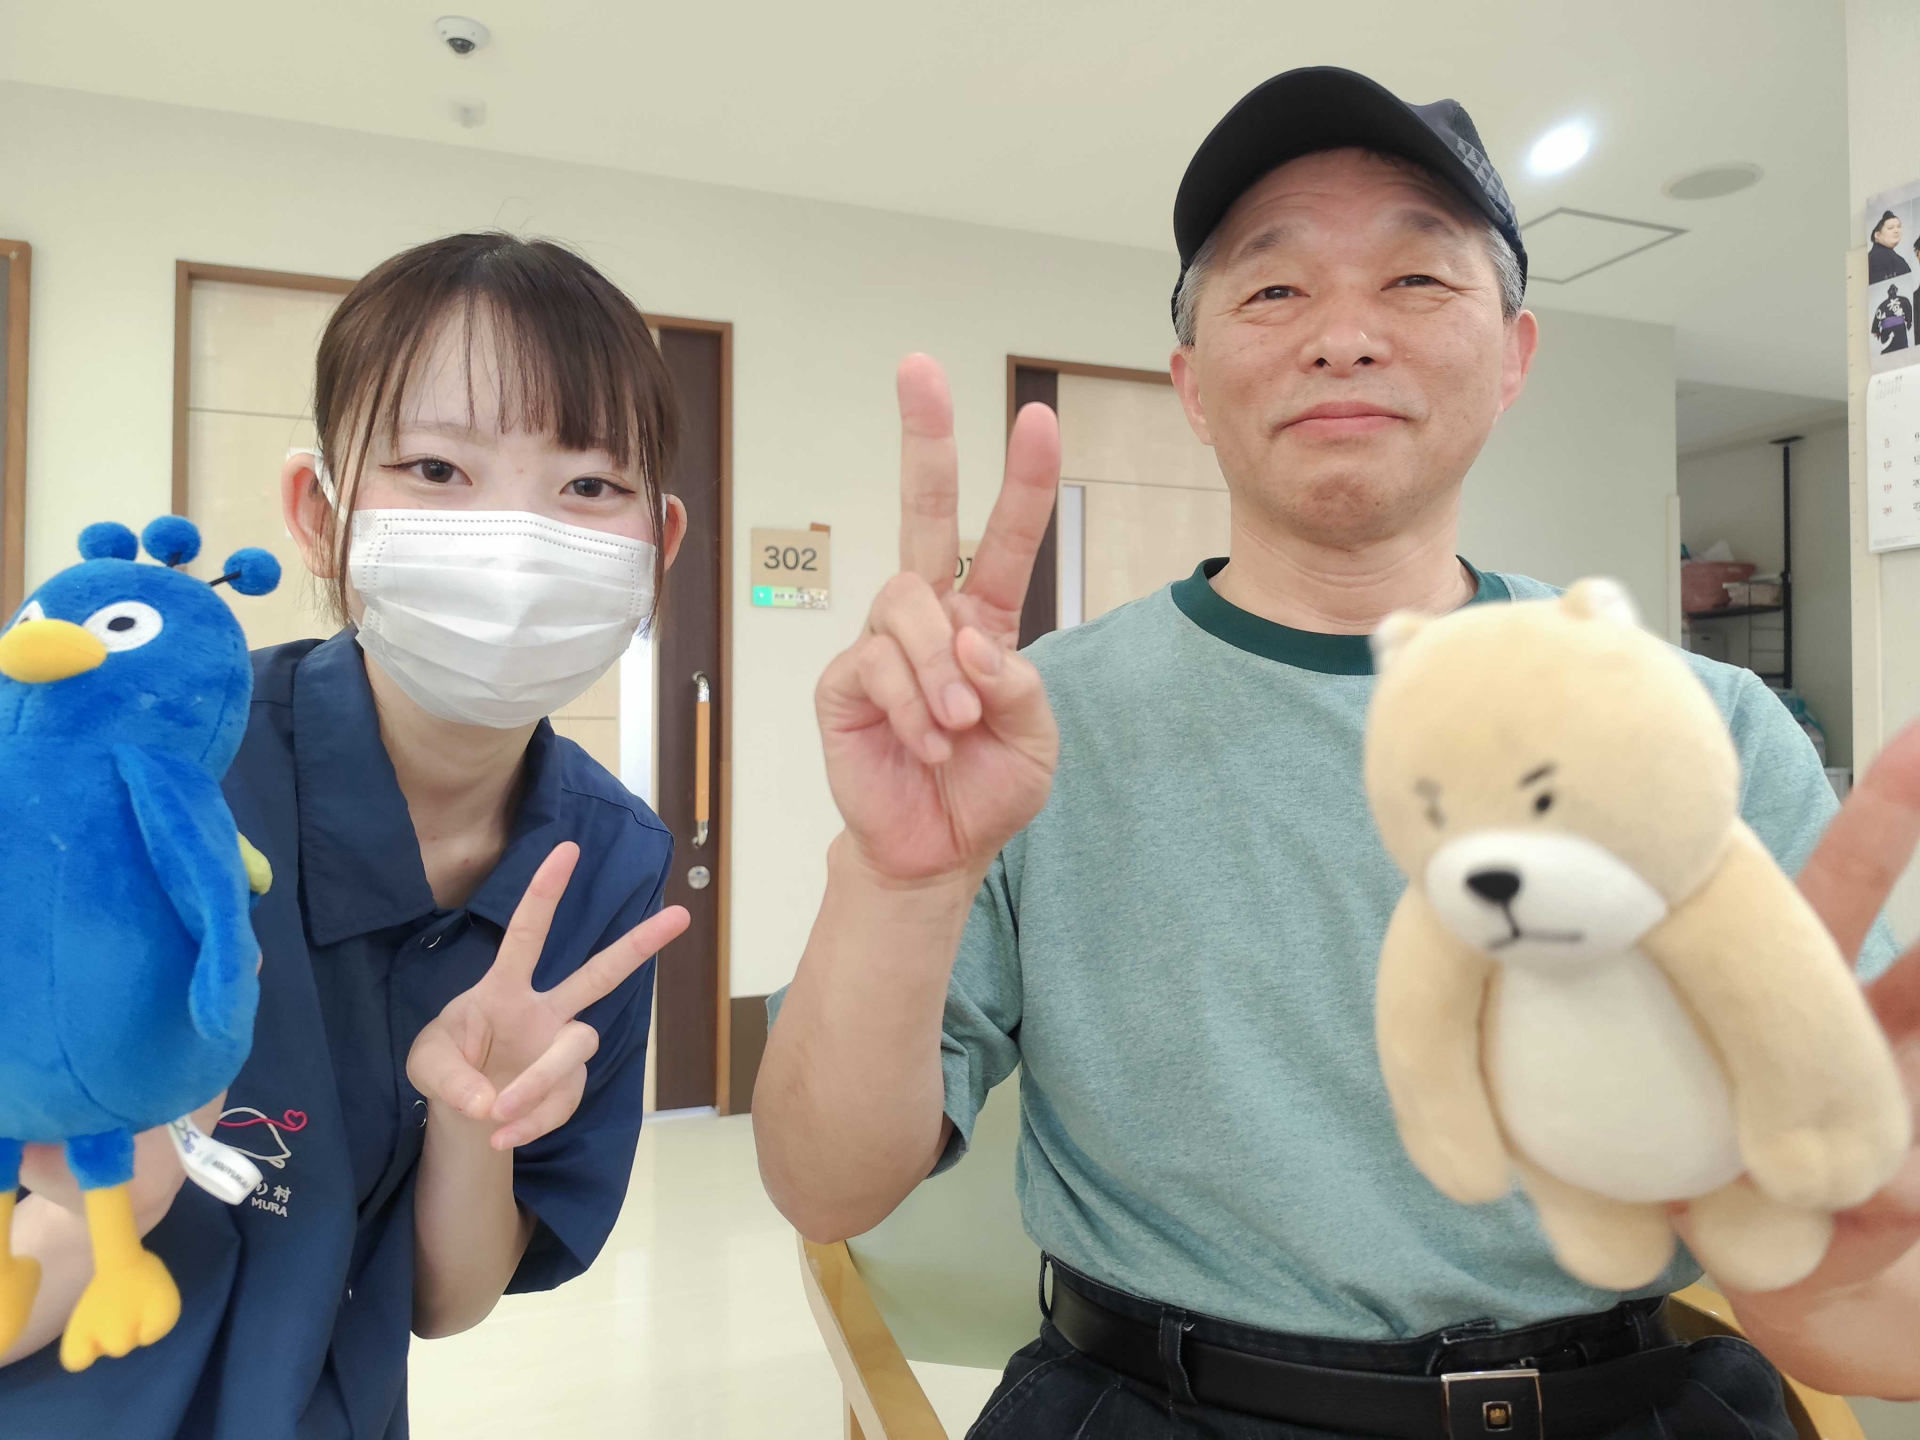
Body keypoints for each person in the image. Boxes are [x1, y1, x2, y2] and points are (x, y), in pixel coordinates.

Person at [755, 67, 1920, 1439]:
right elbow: (826, 1186)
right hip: (1150, 1404)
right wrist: (898, 882)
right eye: (1273, 288)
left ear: (1514, 356)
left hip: (1626, 1399)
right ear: (1193, 384)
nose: (1345, 337)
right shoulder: (1026, 731)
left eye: (1416, 280)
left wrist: (1833, 1251)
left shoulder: (1694, 731)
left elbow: (1863, 1317)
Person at [0, 233, 692, 1438]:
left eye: (589, 486)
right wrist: (107, 1203)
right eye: (436, 468)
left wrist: (471, 1129)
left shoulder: (607, 863)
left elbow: (444, 1302)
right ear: (317, 514)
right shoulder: (122, 781)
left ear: (658, 549)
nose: (515, 540)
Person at [1870, 209, 1912, 283]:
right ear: (1877, 235)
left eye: (1899, 226)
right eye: (1890, 228)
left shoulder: (1898, 259)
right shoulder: (1874, 258)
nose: (1896, 231)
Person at [1874, 282, 1913, 353]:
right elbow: (1908, 311)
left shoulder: (1883, 304)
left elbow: (1877, 317)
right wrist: (1909, 322)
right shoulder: (1904, 300)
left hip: (1888, 329)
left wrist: (1876, 330)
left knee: (1891, 352)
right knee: (1901, 351)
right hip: (1899, 328)